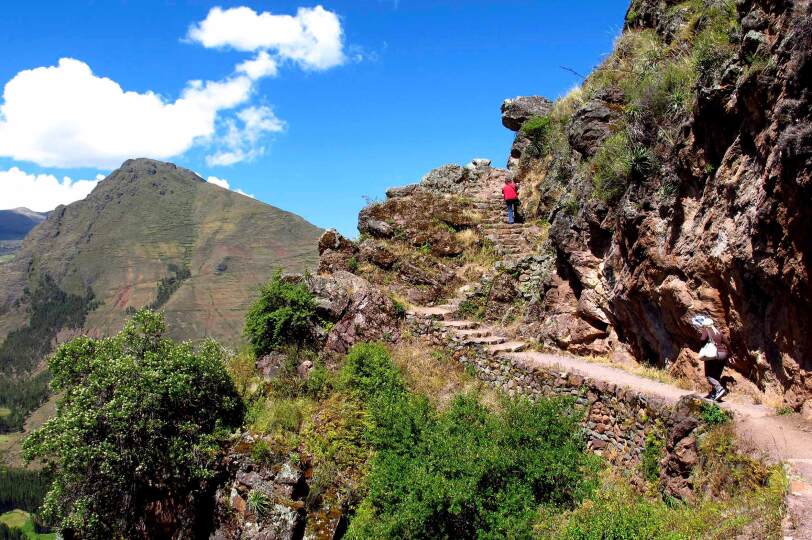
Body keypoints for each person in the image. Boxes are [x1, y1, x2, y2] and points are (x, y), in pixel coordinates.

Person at [692, 315, 730, 401]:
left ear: (705, 325)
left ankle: (719, 389)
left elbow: (702, 340)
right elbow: (727, 343)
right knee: (716, 376)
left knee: (709, 376)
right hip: (723, 355)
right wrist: (729, 354)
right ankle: (715, 394)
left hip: (712, 355)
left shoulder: (706, 331)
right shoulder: (719, 332)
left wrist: (703, 347)